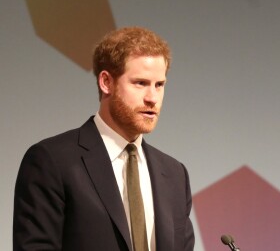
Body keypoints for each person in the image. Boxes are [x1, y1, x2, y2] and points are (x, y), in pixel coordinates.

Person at [13, 26, 195, 251]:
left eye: (160, 85)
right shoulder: (52, 161)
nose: (152, 98)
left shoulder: (175, 174)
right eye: (140, 83)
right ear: (106, 82)